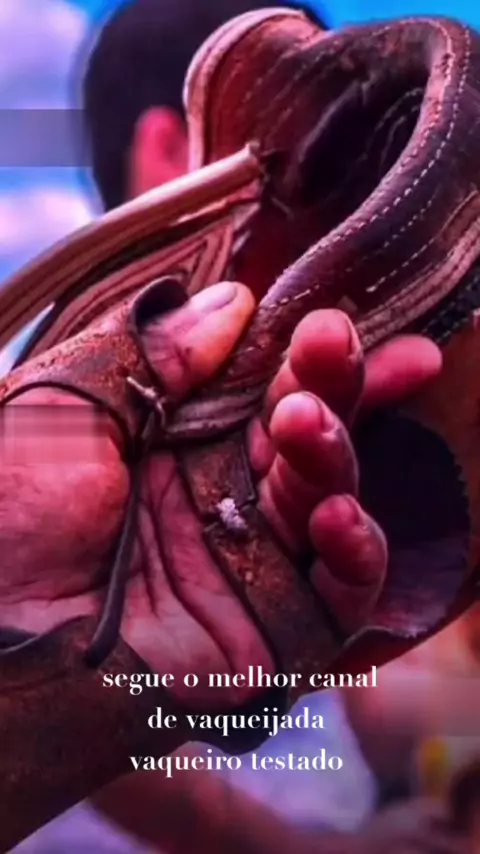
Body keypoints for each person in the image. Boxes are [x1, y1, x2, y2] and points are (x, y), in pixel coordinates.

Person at [1, 2, 469, 853]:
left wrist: (443, 779)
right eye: (322, 143)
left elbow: (368, 688)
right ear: (172, 147)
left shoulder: (277, 411)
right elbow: (122, 759)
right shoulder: (49, 395)